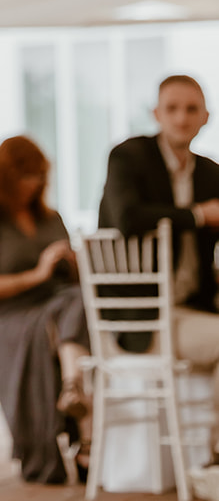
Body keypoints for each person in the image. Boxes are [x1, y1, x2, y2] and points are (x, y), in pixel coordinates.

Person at [0, 136, 90, 485]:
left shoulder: (50, 218)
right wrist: (39, 273)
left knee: (79, 302)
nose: (33, 183)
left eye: (38, 176)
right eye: (26, 175)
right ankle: (80, 410)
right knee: (74, 314)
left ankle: (77, 397)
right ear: (6, 175)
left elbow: (71, 280)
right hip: (5, 318)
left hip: (58, 310)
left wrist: (72, 262)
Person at [99, 74, 219, 462]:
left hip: (192, 309)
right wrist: (199, 215)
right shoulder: (128, 156)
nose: (181, 119)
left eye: (191, 110)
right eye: (172, 108)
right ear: (156, 114)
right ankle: (213, 456)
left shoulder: (211, 173)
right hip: (143, 317)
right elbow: (128, 218)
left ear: (206, 117)